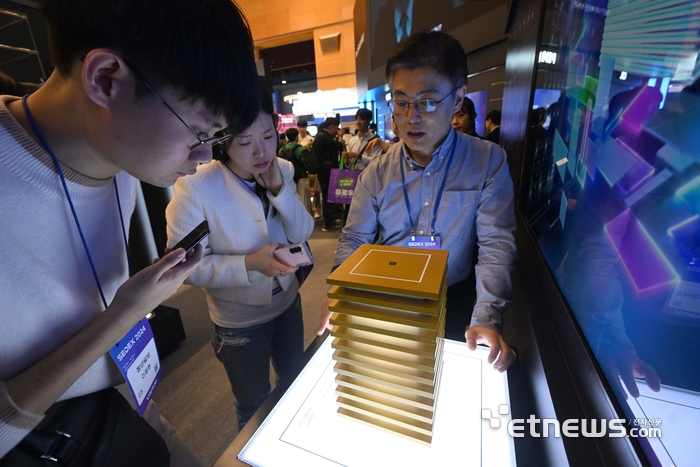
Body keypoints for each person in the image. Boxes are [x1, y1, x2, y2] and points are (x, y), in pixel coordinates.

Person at [0, 0, 259, 464]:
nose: (204, 156)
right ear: (105, 79)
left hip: (123, 412)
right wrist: (124, 315)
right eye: (200, 132)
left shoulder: (120, 158)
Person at [318, 31, 518, 373]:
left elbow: (496, 245)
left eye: (427, 101)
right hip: (388, 297)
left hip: (454, 299)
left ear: (458, 99)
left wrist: (486, 316)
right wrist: (340, 290)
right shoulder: (376, 172)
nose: (411, 117)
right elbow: (354, 239)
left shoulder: (487, 161)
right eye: (401, 102)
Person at [165, 87, 314, 431]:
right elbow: (185, 267)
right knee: (253, 406)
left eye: (268, 136)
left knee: (294, 385)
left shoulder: (283, 169)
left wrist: (278, 189)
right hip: (239, 323)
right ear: (223, 140)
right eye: (245, 142)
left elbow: (303, 231)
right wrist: (249, 264)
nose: (261, 152)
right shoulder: (196, 185)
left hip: (288, 303)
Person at [313, 117, 346, 231]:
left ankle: (332, 219)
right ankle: (328, 224)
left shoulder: (322, 136)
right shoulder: (323, 136)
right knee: (327, 197)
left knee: (330, 195)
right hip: (325, 171)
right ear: (331, 127)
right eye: (336, 128)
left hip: (326, 171)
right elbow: (339, 146)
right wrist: (340, 136)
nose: (337, 131)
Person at [280, 127, 311, 214]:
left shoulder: (282, 149)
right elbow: (306, 163)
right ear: (297, 137)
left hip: (287, 178)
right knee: (304, 200)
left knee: (292, 199)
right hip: (301, 176)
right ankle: (305, 217)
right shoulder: (300, 149)